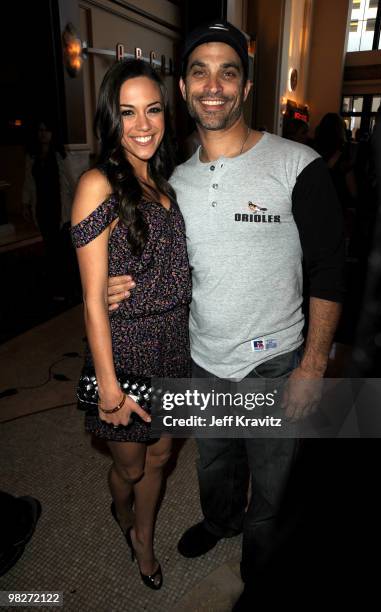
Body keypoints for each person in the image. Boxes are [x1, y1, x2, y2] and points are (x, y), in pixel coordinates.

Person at [106, 22, 344, 609]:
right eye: (199, 72)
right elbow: (147, 258)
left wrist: (314, 364)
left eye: (227, 71)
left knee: (272, 486)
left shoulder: (298, 164)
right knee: (214, 469)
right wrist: (115, 288)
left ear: (245, 85)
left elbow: (330, 270)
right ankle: (218, 524)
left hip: (276, 364)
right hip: (203, 361)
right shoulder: (171, 185)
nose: (213, 85)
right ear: (184, 90)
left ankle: (259, 555)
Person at [70, 59, 191, 590]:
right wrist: (111, 390)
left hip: (174, 347)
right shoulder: (98, 183)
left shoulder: (165, 181)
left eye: (153, 110)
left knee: (162, 455)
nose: (143, 124)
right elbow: (93, 301)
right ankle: (120, 509)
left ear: (166, 113)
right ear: (110, 119)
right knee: (132, 468)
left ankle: (142, 536)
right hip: (127, 353)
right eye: (127, 112)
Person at [23, 120, 76, 300]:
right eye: (40, 130)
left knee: (63, 249)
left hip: (60, 208)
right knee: (51, 248)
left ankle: (66, 288)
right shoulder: (32, 157)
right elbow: (29, 183)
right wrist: (25, 204)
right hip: (43, 207)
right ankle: (55, 287)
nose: (43, 134)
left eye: (47, 130)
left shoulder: (60, 155)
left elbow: (71, 182)